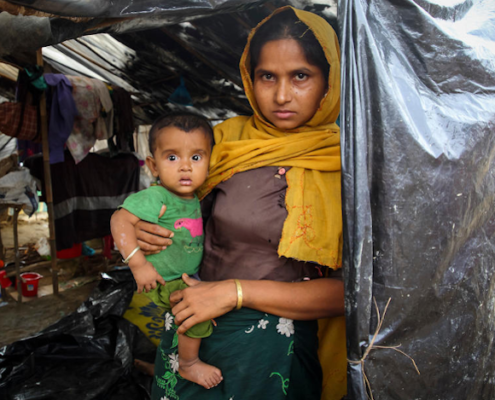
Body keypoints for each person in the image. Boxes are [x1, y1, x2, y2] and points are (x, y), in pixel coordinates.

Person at [135, 6, 347, 400]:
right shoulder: (221, 143)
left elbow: (353, 293)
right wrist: (144, 228)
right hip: (194, 331)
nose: (282, 95)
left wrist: (235, 292)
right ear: (251, 79)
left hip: (273, 349)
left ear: (329, 80)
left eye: (300, 76)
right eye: (268, 76)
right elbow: (172, 207)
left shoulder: (352, 165)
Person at [110, 112, 223, 390]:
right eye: (172, 158)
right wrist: (138, 265)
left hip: (186, 273)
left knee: (177, 326)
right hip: (165, 278)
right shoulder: (157, 197)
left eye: (196, 158)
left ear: (210, 161)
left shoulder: (193, 196)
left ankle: (163, 362)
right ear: (153, 165)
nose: (185, 167)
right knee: (194, 315)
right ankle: (189, 364)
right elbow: (119, 220)